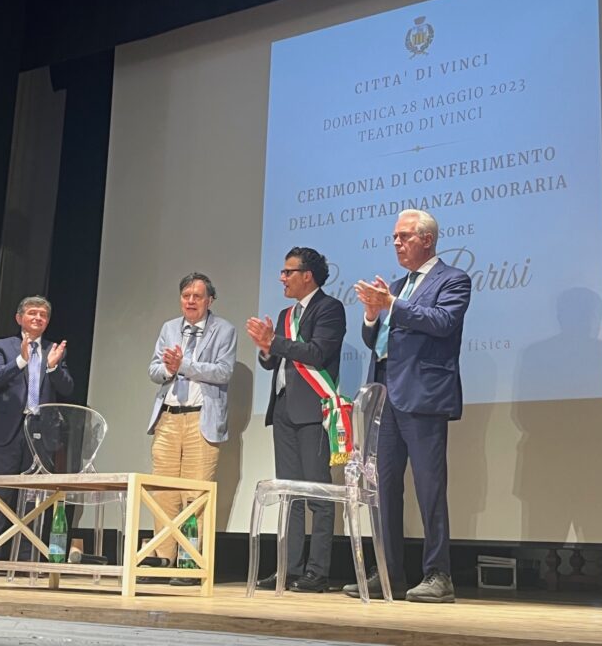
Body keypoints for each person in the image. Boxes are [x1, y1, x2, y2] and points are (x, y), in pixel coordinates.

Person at [353, 209, 470, 603]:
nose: (397, 243)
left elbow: (442, 322)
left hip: (423, 394)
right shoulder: (398, 286)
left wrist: (391, 304)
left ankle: (439, 574)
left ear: (427, 239)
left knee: (429, 487)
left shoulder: (453, 279)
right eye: (394, 237)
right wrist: (373, 315)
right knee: (383, 487)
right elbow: (377, 342)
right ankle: (388, 572)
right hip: (386, 394)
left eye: (404, 236)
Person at [246, 247, 346, 593]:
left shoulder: (330, 308)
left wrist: (274, 342)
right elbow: (273, 362)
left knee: (318, 493)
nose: (282, 278)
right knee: (290, 495)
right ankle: (288, 569)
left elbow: (317, 353)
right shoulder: (286, 314)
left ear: (308, 275)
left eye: (288, 272)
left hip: (313, 410)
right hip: (284, 409)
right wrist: (266, 349)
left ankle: (317, 572)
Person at [145, 272, 237, 585]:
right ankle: (163, 558)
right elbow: (154, 369)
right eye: (186, 295)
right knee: (163, 492)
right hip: (168, 418)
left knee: (195, 494)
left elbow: (223, 372)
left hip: (201, 419)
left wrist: (183, 366)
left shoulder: (224, 330)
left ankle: (189, 561)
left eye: (197, 296)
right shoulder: (169, 328)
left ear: (210, 300)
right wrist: (168, 368)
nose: (191, 301)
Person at [0, 296, 74, 561]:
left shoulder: (54, 349)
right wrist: (20, 361)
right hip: (7, 432)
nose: (38, 318)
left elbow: (67, 388)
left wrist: (53, 367)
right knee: (0, 496)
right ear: (19, 318)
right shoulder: (3, 346)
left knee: (34, 499)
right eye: (32, 313)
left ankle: (26, 559)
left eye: (43, 315)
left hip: (40, 434)